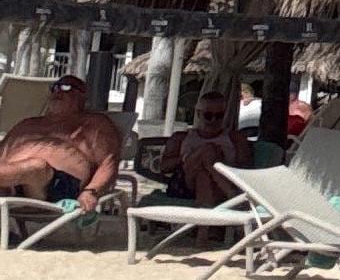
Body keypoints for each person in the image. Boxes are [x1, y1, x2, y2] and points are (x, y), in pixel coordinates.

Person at [0, 74, 127, 214]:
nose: (58, 92)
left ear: (82, 97)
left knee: (35, 167)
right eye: (54, 88)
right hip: (9, 183)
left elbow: (108, 163)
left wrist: (91, 191)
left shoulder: (94, 123)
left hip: (57, 186)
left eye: (66, 87)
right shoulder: (28, 124)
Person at [156, 88, 255, 208]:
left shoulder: (235, 138)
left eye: (219, 116)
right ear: (198, 114)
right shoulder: (181, 137)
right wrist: (191, 156)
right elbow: (164, 167)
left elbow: (246, 168)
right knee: (208, 151)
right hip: (186, 185)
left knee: (203, 175)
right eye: (208, 115)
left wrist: (217, 162)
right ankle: (232, 195)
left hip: (220, 187)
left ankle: (205, 217)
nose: (213, 120)